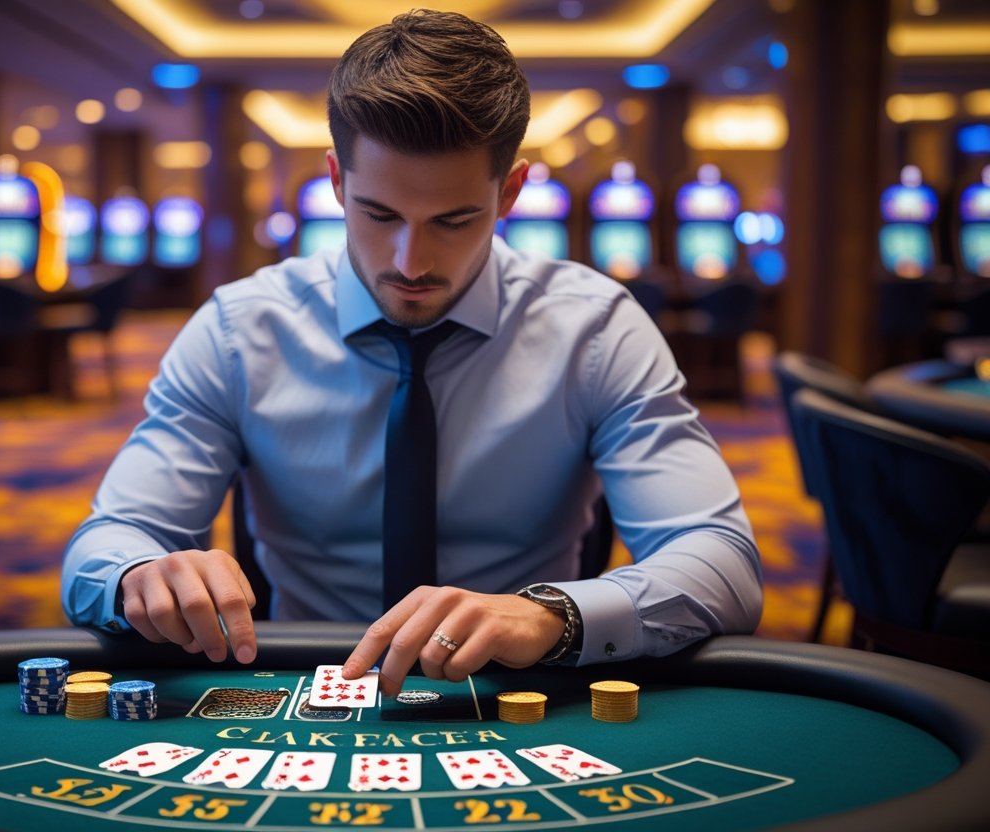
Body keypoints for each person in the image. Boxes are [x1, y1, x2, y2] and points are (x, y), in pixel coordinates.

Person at [62, 9, 761, 696]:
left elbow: (721, 563)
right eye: (379, 214)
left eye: (454, 220)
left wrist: (553, 613)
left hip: (521, 691)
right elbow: (109, 541)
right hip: (298, 687)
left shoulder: (598, 329)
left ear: (510, 191)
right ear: (337, 182)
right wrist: (136, 576)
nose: (411, 261)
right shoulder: (238, 332)